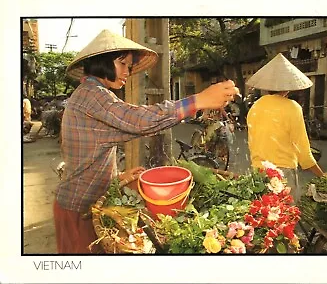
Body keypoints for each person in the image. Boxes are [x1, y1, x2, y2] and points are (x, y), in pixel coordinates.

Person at [53, 29, 239, 254]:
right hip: (78, 208)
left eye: (129, 67)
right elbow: (140, 121)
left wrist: (116, 179)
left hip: (86, 201)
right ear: (103, 62)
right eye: (123, 64)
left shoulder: (92, 93)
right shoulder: (93, 95)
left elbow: (95, 148)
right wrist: (198, 100)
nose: (127, 72)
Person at [246, 53, 324, 203]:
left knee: (263, 217)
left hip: (257, 172)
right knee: (284, 219)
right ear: (288, 89)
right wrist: (321, 174)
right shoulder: (292, 107)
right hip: (282, 174)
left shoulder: (255, 107)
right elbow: (303, 150)